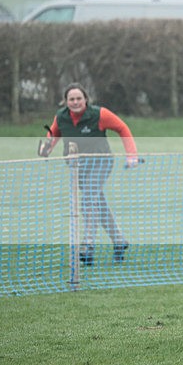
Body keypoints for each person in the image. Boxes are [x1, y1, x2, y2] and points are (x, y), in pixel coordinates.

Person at [37, 83, 139, 265]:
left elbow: (123, 128)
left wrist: (132, 156)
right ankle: (119, 241)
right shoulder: (61, 117)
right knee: (97, 201)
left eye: (79, 98)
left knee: (88, 198)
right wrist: (46, 149)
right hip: (77, 166)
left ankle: (88, 245)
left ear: (86, 99)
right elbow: (53, 134)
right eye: (71, 99)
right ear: (65, 101)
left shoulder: (100, 114)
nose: (75, 102)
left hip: (101, 162)